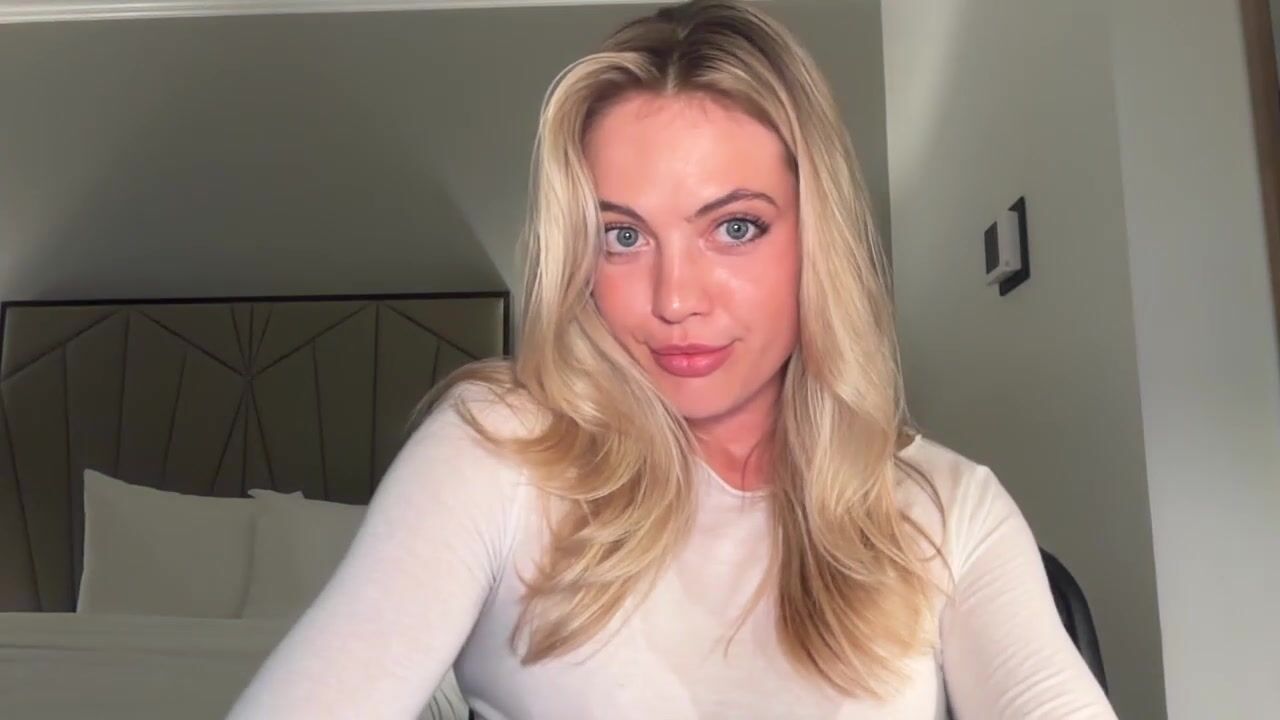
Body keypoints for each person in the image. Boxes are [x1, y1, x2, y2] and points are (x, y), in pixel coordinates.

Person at [230, 1, 1116, 717]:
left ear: (818, 237)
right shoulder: (500, 455)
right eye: (622, 236)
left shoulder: (947, 509)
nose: (674, 298)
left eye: (735, 227)